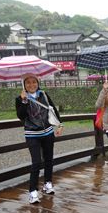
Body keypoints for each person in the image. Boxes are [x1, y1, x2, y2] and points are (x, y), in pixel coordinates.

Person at [15, 73, 63, 204]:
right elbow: (21, 116)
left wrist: (60, 124)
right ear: (24, 85)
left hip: (47, 132)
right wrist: (24, 101)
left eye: (34, 82)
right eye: (28, 82)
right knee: (36, 162)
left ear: (38, 83)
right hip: (32, 135)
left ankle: (48, 183)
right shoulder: (20, 98)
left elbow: (53, 109)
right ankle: (32, 191)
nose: (32, 85)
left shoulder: (43, 95)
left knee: (48, 160)